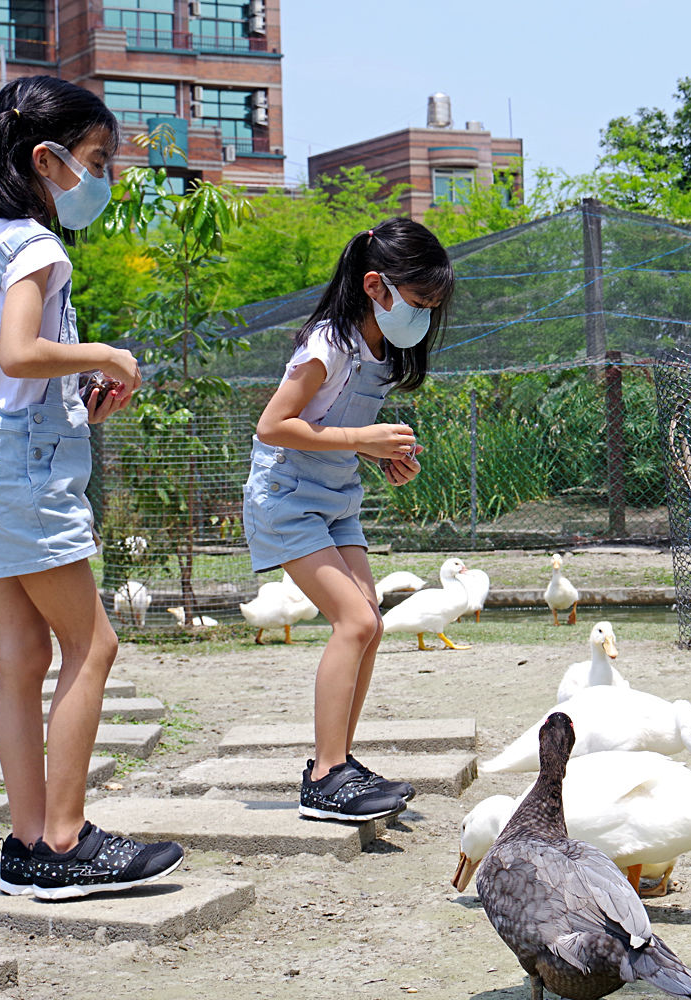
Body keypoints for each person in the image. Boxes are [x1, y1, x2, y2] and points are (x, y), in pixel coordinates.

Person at [0, 75, 183, 899]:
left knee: (23, 653)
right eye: (95, 159)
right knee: (94, 645)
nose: (103, 176)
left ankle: (27, 842)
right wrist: (105, 356)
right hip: (23, 472)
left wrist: (69, 392)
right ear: (46, 159)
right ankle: (68, 841)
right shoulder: (40, 249)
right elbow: (14, 354)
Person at [244, 219, 454, 822]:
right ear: (375, 286)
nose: (423, 317)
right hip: (285, 497)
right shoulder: (326, 344)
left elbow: (345, 435)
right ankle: (326, 776)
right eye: (417, 303)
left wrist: (385, 456)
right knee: (356, 622)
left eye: (431, 307)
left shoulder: (384, 349)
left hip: (336, 499)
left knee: (372, 626)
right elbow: (273, 425)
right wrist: (361, 436)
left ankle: (336, 762)